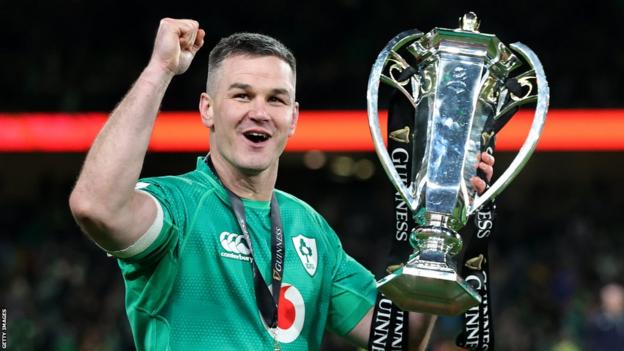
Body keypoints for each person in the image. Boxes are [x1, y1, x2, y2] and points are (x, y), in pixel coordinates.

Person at [69, 18, 494, 350]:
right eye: (241, 95)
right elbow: (97, 206)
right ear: (208, 110)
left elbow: (400, 338)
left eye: (275, 99)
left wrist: (452, 216)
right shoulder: (178, 207)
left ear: (293, 118)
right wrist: (160, 70)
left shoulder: (309, 228)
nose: (259, 111)